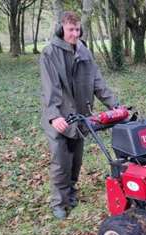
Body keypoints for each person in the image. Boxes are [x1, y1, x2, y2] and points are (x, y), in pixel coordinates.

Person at [39, 11, 118, 220]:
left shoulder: (85, 52)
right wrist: (54, 116)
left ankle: (71, 192)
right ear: (61, 29)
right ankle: (59, 202)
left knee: (76, 160)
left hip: (80, 116)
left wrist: (115, 105)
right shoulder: (50, 54)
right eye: (70, 30)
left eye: (77, 29)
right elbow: (50, 89)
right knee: (60, 160)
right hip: (59, 117)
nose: (75, 34)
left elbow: (97, 83)